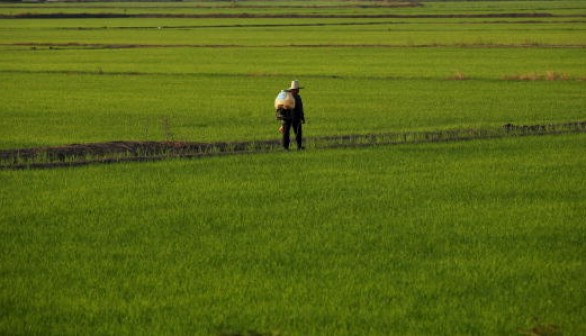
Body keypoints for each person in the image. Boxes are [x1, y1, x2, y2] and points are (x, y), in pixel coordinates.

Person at [277, 80, 305, 151]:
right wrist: (302, 118)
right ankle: (298, 147)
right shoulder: (297, 97)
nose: (298, 90)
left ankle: (286, 148)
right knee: (297, 133)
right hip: (294, 118)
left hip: (286, 118)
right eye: (297, 89)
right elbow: (300, 109)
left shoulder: (286, 96)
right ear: (295, 90)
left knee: (286, 133)